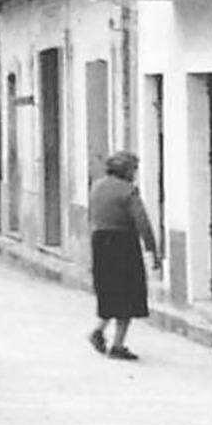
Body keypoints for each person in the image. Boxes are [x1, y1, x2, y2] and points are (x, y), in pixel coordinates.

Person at [88, 151, 159, 360]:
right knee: (129, 294)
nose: (135, 173)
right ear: (127, 170)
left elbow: (92, 214)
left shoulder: (97, 186)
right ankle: (117, 345)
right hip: (123, 244)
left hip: (100, 241)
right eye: (134, 169)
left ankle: (99, 330)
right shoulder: (128, 191)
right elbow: (142, 222)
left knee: (109, 291)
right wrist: (152, 250)